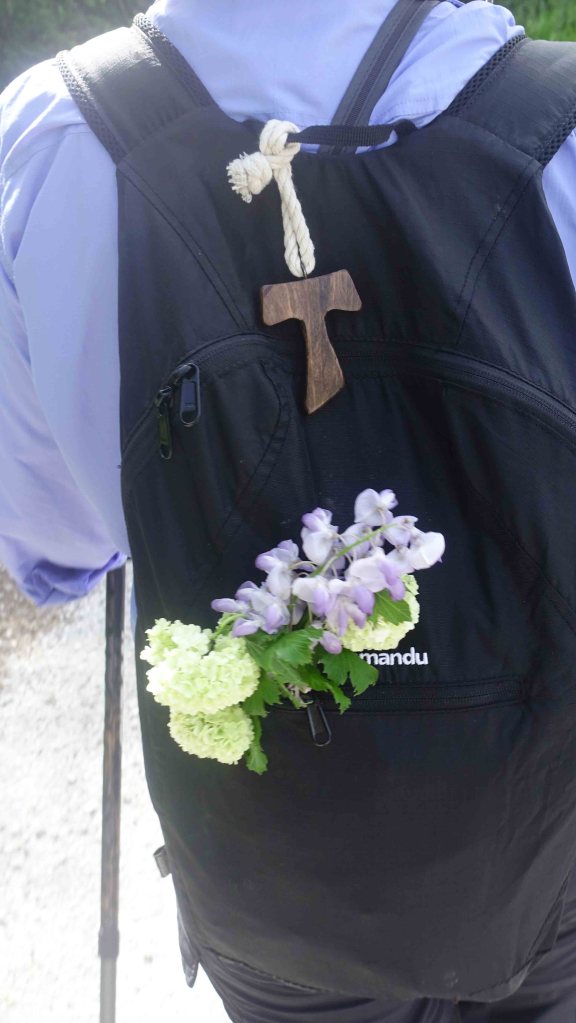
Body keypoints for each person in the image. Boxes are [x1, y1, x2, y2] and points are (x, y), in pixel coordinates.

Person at [2, 1, 576, 1020]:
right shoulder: (560, 123)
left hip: (270, 878)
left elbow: (57, 545)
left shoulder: (55, 139)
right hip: (546, 850)